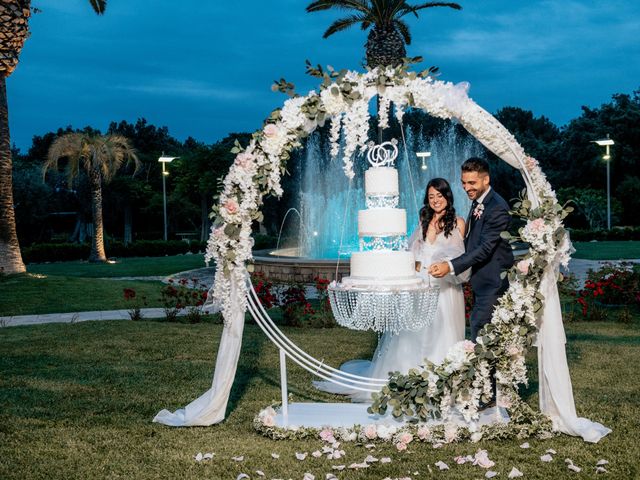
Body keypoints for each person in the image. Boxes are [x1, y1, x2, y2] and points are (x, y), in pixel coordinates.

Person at [314, 178, 470, 401]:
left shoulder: (459, 223)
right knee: (413, 333)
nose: (436, 200)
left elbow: (461, 258)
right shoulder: (423, 220)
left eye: (440, 195)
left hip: (445, 287)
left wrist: (445, 268)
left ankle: (442, 385)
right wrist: (414, 266)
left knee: (442, 331)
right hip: (422, 285)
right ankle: (409, 378)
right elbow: (412, 251)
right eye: (432, 196)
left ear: (448, 197)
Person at [429, 157, 514, 407]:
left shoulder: (497, 206)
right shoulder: (478, 203)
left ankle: (487, 395)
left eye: (472, 182)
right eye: (464, 182)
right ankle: (485, 389)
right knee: (481, 333)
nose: (467, 187)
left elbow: (486, 248)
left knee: (481, 333)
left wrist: (451, 266)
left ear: (486, 179)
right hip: (480, 281)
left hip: (492, 282)